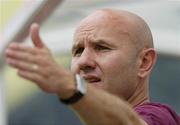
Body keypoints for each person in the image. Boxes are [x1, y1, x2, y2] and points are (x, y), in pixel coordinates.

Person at [5, 9, 180, 125]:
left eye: (102, 48)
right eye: (78, 51)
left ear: (144, 62)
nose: (83, 61)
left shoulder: (159, 118)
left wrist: (70, 86)